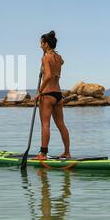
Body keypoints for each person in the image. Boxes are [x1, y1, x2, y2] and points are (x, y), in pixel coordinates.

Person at [33, 31, 71, 159]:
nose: (40, 46)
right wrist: (50, 54)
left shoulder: (45, 58)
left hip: (47, 94)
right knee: (61, 124)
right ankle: (67, 152)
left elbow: (48, 76)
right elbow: (62, 62)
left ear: (46, 44)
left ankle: (43, 154)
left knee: (45, 124)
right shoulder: (58, 58)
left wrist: (39, 91)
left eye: (41, 43)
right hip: (58, 95)